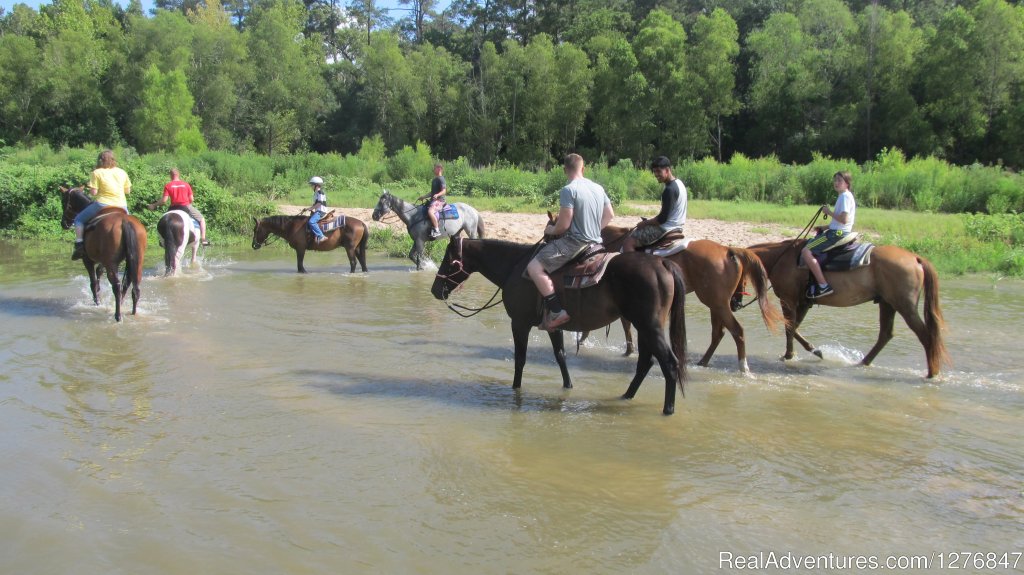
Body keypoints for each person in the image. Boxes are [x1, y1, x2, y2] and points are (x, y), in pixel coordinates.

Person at [526, 153, 614, 331]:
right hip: (596, 243)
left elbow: (563, 225)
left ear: (565, 169)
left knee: (533, 267)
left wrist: (549, 230)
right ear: (583, 168)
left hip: (576, 243)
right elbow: (610, 215)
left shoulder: (569, 189)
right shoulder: (598, 188)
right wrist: (595, 230)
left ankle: (557, 311)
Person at [802, 171, 856, 299]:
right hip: (838, 231)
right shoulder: (845, 196)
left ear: (847, 184)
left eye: (840, 181)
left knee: (806, 251)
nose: (836, 183)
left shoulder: (844, 197)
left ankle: (823, 285)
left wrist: (828, 212)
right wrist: (824, 227)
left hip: (837, 234)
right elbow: (841, 222)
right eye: (835, 180)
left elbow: (844, 220)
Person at [72, 149, 131, 260]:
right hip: (121, 205)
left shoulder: (96, 172)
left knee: (78, 219)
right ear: (113, 159)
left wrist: (93, 191)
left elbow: (93, 193)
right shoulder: (122, 172)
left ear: (100, 160)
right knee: (131, 223)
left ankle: (79, 244)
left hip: (103, 204)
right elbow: (127, 191)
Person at [623, 156, 687, 252]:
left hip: (666, 228)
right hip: (677, 225)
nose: (656, 174)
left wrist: (644, 223)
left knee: (628, 243)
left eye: (658, 171)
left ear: (667, 170)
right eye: (654, 172)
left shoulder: (669, 190)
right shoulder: (679, 183)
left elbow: (662, 219)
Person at [148, 168, 211, 246]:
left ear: (170, 176)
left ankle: (162, 240)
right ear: (178, 174)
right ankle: (203, 239)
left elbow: (164, 200)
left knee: (164, 220)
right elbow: (192, 199)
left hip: (173, 207)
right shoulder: (186, 185)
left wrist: (154, 205)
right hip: (185, 206)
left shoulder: (168, 185)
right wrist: (186, 202)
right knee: (201, 219)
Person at [417, 164, 447, 238]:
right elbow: (432, 193)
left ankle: (437, 230)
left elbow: (444, 191)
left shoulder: (441, 179)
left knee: (430, 211)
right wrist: (423, 197)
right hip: (433, 201)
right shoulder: (434, 180)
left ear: (439, 169)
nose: (433, 170)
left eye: (435, 168)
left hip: (440, 201)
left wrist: (437, 195)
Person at [304, 176, 328, 243]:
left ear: (316, 185)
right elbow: (315, 204)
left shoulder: (320, 192)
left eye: (312, 185)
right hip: (318, 210)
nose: (311, 186)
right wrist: (308, 208)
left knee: (311, 222)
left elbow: (319, 204)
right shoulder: (316, 193)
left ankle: (321, 236)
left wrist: (311, 208)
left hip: (321, 211)